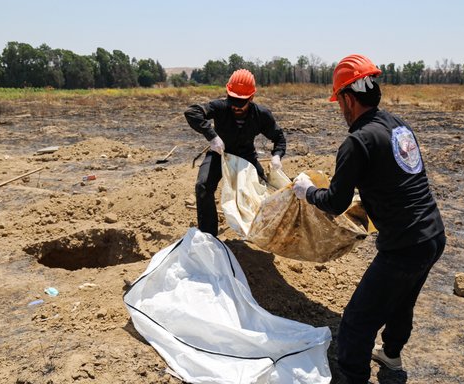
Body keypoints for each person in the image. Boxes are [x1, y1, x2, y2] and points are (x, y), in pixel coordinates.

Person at [292, 54, 446, 384]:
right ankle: (391, 355)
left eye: (339, 102)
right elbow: (402, 177)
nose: (340, 110)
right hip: (433, 235)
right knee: (402, 301)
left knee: (356, 324)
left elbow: (334, 202)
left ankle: (351, 377)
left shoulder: (356, 141)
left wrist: (307, 191)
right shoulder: (398, 126)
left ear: (348, 99)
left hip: (403, 246)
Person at [184, 69, 286, 236]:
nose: (236, 107)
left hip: (246, 157)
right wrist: (212, 136)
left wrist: (277, 155)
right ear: (227, 93)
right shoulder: (220, 107)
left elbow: (279, 137)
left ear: (251, 97)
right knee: (202, 186)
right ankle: (209, 235)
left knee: (265, 190)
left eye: (242, 102)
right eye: (233, 101)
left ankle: (260, 232)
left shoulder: (261, 115)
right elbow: (191, 112)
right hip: (220, 154)